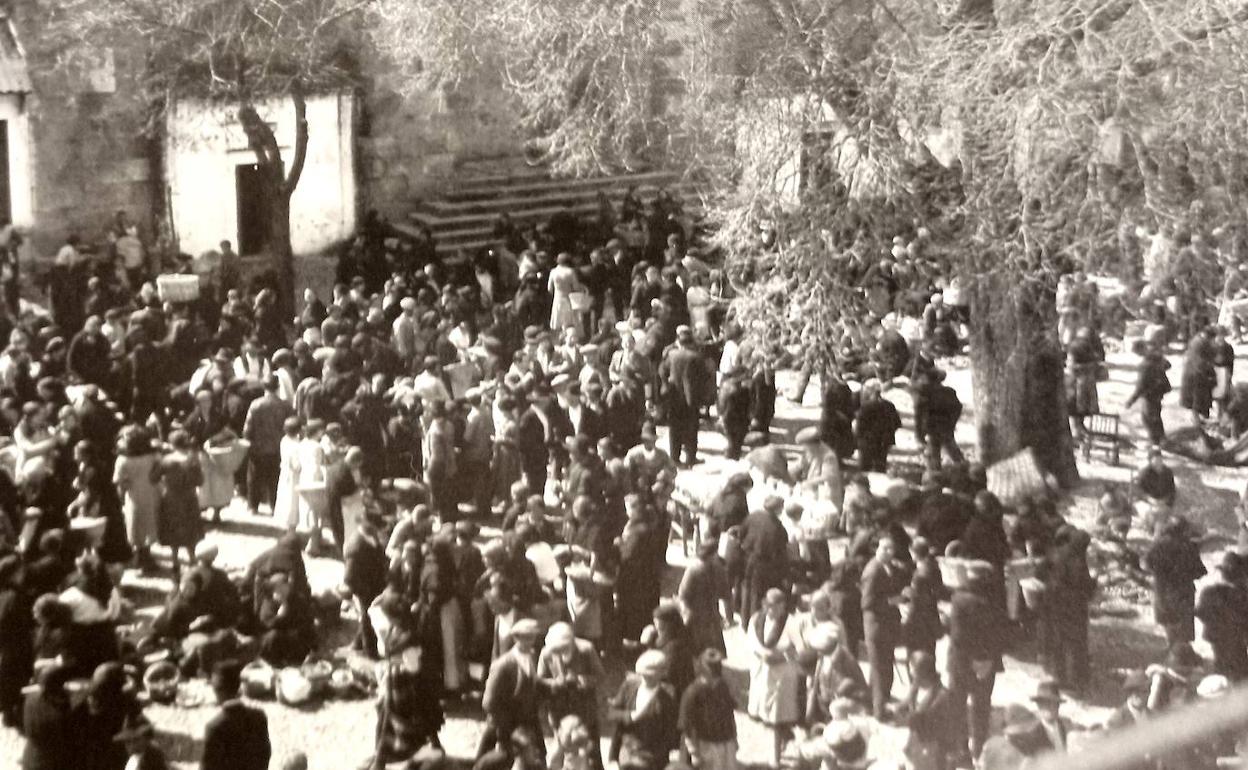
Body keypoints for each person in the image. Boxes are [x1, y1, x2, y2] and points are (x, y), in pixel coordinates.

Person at [947, 561, 1005, 763]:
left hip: (961, 662)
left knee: (958, 705)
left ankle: (961, 750)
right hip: (987, 664)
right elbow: (1002, 633)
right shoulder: (996, 601)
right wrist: (986, 660)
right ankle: (980, 751)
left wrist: (974, 659)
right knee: (981, 707)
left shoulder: (959, 599)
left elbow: (957, 637)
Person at [746, 588, 804, 769]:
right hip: (763, 673)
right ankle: (785, 738)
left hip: (783, 676)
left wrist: (781, 657)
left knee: (777, 718)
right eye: (768, 605)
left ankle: (776, 758)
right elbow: (751, 642)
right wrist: (762, 654)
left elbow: (801, 649)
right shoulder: (756, 619)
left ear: (783, 605)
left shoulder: (792, 623)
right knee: (767, 715)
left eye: (775, 606)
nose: (770, 610)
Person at [537, 622, 606, 770]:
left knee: (590, 752)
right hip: (559, 710)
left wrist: (583, 680)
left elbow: (600, 676)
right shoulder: (546, 653)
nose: (559, 652)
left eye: (562, 649)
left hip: (584, 710)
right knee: (561, 748)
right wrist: (555, 683)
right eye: (556, 650)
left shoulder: (586, 649)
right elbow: (540, 681)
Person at [481, 618, 544, 761]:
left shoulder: (532, 657)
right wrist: (506, 727)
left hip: (528, 720)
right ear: (516, 638)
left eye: (533, 637)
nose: (531, 641)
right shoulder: (503, 665)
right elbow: (489, 702)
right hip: (506, 724)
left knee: (537, 757)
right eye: (526, 638)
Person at [609, 649, 680, 770]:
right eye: (642, 675)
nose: (645, 679)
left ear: (662, 674)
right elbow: (611, 713)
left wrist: (671, 756)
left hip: (654, 758)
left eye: (650, 676)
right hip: (628, 754)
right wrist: (629, 716)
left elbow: (672, 730)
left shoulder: (669, 695)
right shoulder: (629, 686)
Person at [860, 535, 906, 721]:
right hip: (876, 626)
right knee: (880, 668)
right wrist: (891, 601)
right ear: (877, 549)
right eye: (884, 548)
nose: (888, 552)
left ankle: (878, 702)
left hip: (888, 625)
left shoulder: (889, 567)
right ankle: (879, 711)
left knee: (885, 666)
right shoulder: (873, 571)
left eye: (891, 548)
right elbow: (867, 603)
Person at [1144, 517, 1206, 646]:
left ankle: (1172, 649)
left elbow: (1147, 565)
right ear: (1184, 530)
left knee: (1168, 622)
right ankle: (1182, 654)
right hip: (1184, 591)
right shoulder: (1189, 547)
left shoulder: (1158, 545)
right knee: (1183, 628)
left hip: (1163, 589)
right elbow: (1200, 572)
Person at [153, 430, 205, 579]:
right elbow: (200, 481)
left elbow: (153, 478)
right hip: (189, 497)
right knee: (190, 528)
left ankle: (175, 561)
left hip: (170, 498)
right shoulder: (192, 461)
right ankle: (192, 559)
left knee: (172, 528)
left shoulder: (166, 460)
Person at [201, 659, 271, 770]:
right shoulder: (259, 716)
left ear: (216, 691)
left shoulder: (214, 727)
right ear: (239, 687)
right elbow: (265, 755)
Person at [679, 648, 738, 770]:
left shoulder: (722, 687)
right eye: (710, 676)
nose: (714, 681)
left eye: (716, 676)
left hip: (725, 742)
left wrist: (734, 738)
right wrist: (694, 752)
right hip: (703, 744)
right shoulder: (693, 693)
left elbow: (729, 714)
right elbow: (687, 726)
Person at [1194, 551, 1248, 682]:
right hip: (1237, 638)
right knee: (1240, 669)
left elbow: (1200, 612)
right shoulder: (1242, 594)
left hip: (1215, 636)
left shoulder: (1209, 592)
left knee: (1220, 666)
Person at [738, 495, 791, 628]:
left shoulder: (754, 516)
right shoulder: (777, 527)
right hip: (765, 564)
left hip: (749, 559)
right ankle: (756, 623)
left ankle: (745, 622)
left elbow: (741, 532)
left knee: (747, 589)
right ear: (778, 509)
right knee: (759, 594)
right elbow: (781, 551)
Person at [904, 650, 956, 770]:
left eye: (912, 668)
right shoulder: (915, 688)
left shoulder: (943, 696)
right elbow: (909, 704)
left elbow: (950, 728)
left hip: (934, 747)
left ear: (920, 672)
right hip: (917, 742)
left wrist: (950, 754)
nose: (910, 672)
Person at [1125, 340, 1171, 444]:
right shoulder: (1155, 356)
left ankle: (1155, 441)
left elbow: (1140, 386)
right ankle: (1162, 438)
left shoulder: (1145, 365)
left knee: (1148, 418)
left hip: (1150, 393)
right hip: (1159, 390)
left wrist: (1131, 401)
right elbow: (1168, 365)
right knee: (1156, 416)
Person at [854, 379, 901, 472]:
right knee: (880, 467)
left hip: (868, 442)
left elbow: (859, 427)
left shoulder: (865, 407)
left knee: (865, 468)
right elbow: (897, 423)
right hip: (884, 442)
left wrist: (858, 439)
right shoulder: (890, 405)